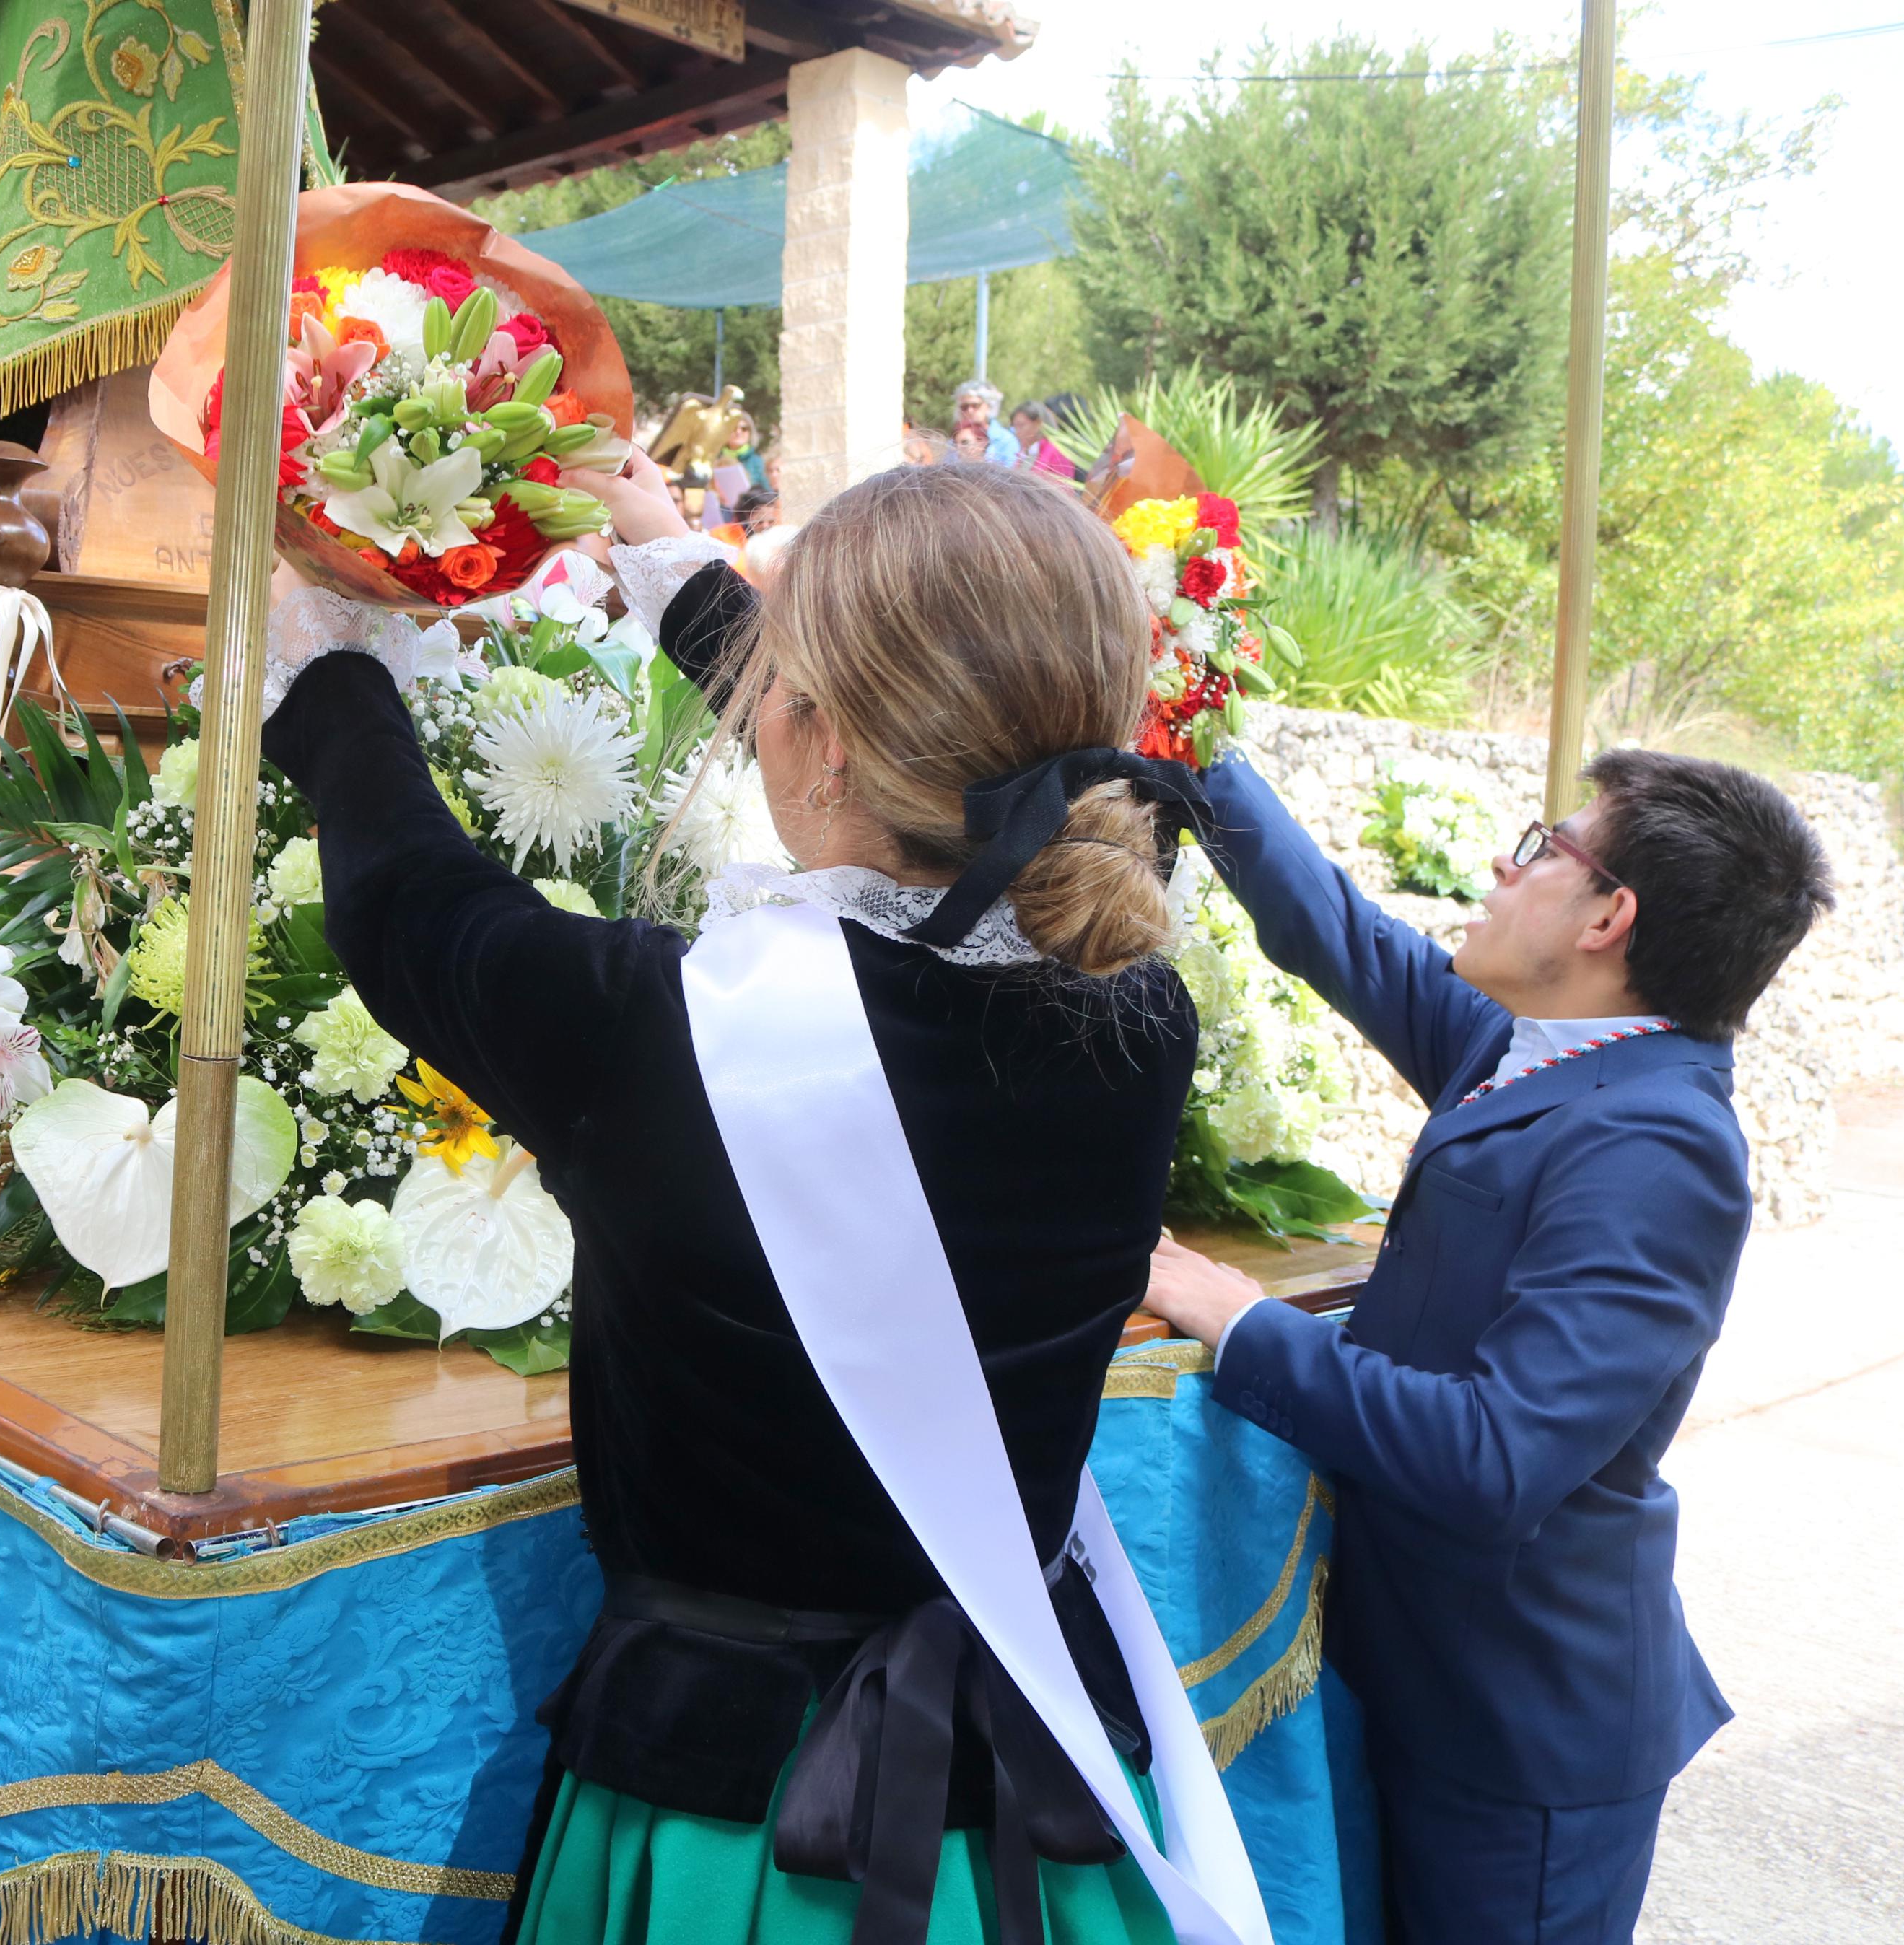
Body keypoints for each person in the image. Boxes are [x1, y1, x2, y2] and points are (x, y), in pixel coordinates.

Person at [261, 455, 1273, 1945]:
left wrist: (334, 672)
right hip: (1030, 1807)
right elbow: (910, 751)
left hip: (741, 1831)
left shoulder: (645, 1032)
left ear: (814, 739)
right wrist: (669, 554)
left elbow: (411, 903)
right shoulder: (1131, 1010)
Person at [1145, 747, 1835, 1945]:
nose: (1494, 868)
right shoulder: (1538, 1053)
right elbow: (1341, 938)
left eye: (1538, 851)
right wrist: (1190, 752)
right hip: (1422, 1681)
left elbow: (1493, 1455)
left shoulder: (1655, 1145)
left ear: (1607, 918)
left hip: (1519, 1738)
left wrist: (1239, 1320)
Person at [953, 380, 1021, 466]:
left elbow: (1010, 476)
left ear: (989, 406)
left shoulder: (1006, 441)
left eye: (975, 405)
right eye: (964, 407)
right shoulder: (954, 440)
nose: (970, 411)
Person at [1010, 401, 1080, 481]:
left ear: (1038, 424)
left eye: (1021, 425)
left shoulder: (1057, 452)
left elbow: (1064, 488)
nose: (1017, 432)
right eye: (1015, 426)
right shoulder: (1024, 453)